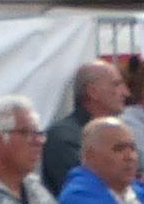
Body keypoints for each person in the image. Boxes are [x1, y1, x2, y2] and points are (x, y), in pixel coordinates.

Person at [40, 56, 128, 190]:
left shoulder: (120, 134)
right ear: (93, 92)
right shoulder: (63, 138)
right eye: (116, 84)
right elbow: (82, 188)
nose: (126, 92)